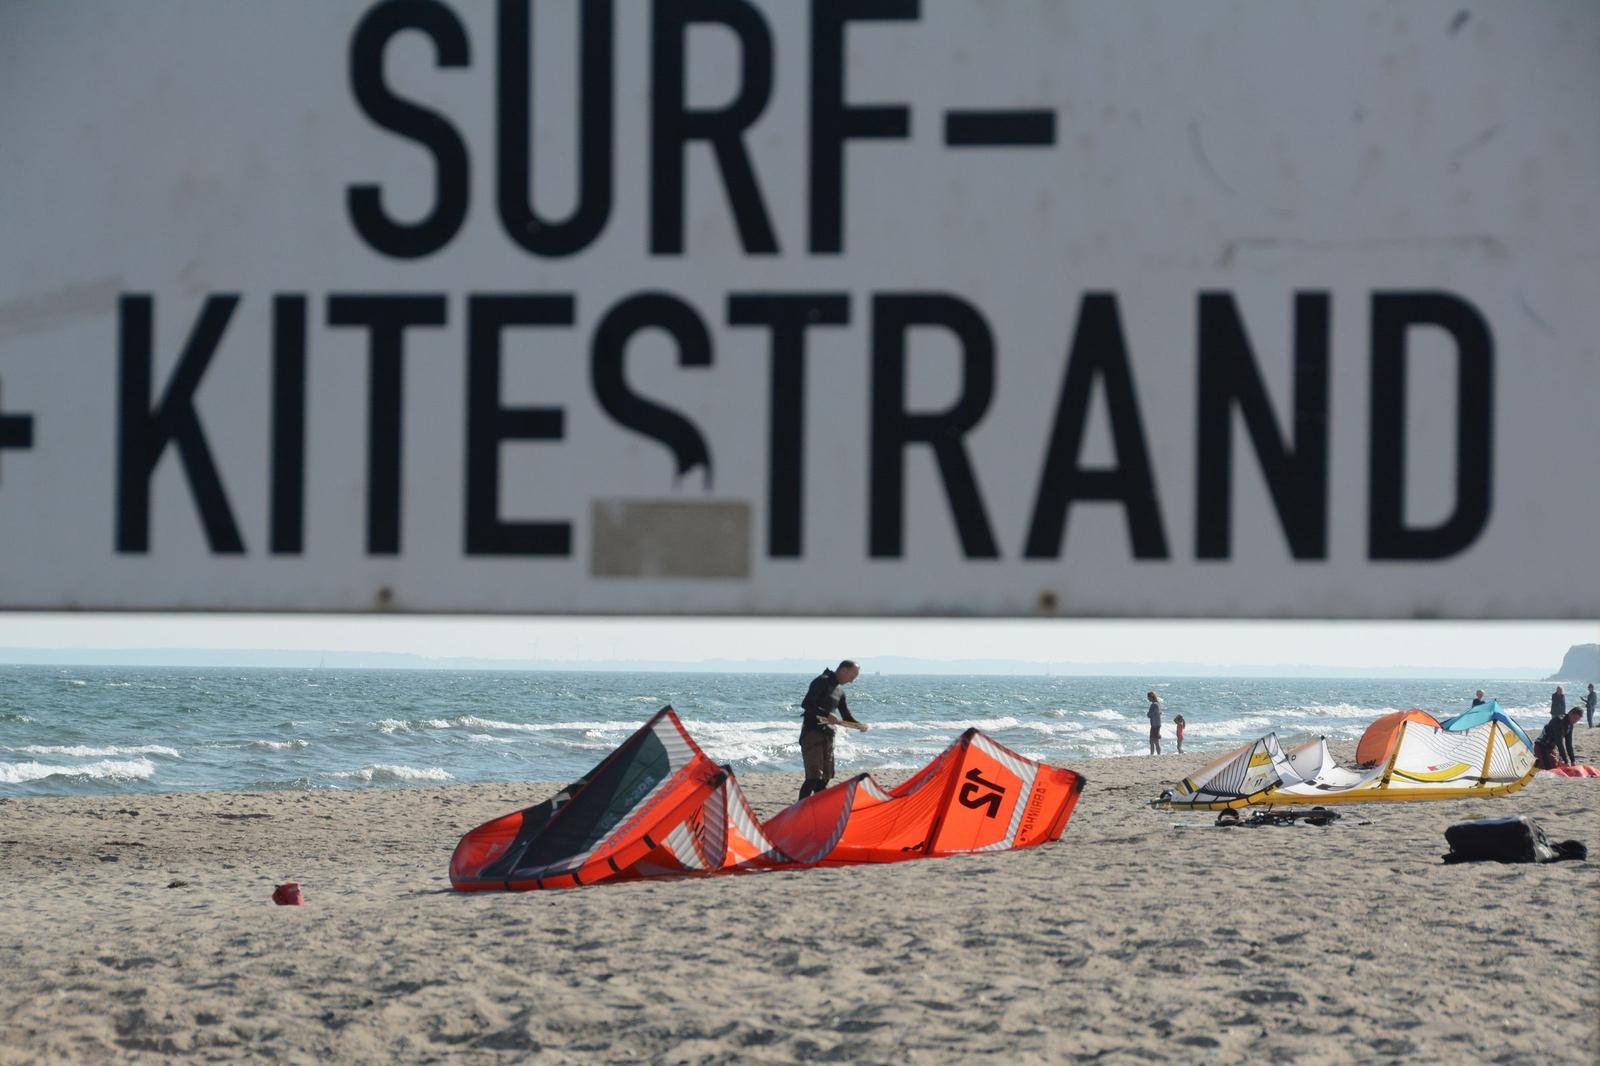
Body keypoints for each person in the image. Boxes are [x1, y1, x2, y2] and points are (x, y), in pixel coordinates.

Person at [796, 660, 867, 800]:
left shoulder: (840, 690)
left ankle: (817, 810)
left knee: (825, 778)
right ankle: (799, 811)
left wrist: (859, 725)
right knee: (813, 778)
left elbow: (846, 716)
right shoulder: (822, 681)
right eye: (853, 676)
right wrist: (826, 714)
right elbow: (807, 704)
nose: (853, 681)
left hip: (828, 735)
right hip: (812, 733)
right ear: (844, 670)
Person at [1146, 691, 1162, 755]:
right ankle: (1156, 754)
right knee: (1155, 741)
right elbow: (1160, 713)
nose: (1148, 699)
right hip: (1157, 724)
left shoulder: (1154, 705)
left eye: (1148, 697)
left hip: (1155, 724)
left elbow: (1149, 715)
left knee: (1153, 741)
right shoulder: (1158, 704)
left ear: (1151, 697)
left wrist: (1149, 714)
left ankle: (1153, 754)